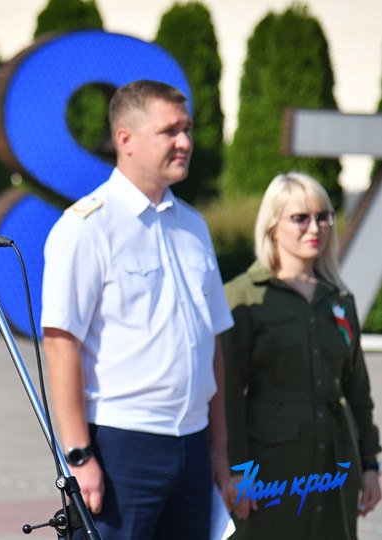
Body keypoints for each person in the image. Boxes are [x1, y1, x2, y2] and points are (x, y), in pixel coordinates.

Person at [40, 79, 234, 539]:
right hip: (121, 445)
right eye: (170, 131)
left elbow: (214, 345)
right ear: (125, 139)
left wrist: (220, 450)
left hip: (192, 443)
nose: (185, 142)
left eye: (186, 129)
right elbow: (60, 343)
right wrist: (79, 456)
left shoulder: (193, 225)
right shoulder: (87, 227)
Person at [222, 171, 381, 539]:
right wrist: (237, 469)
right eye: (301, 218)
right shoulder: (244, 297)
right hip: (270, 471)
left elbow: (357, 392)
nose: (316, 228)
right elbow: (228, 394)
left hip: (336, 465)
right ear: (273, 226)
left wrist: (371, 463)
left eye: (324, 216)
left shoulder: (339, 300)